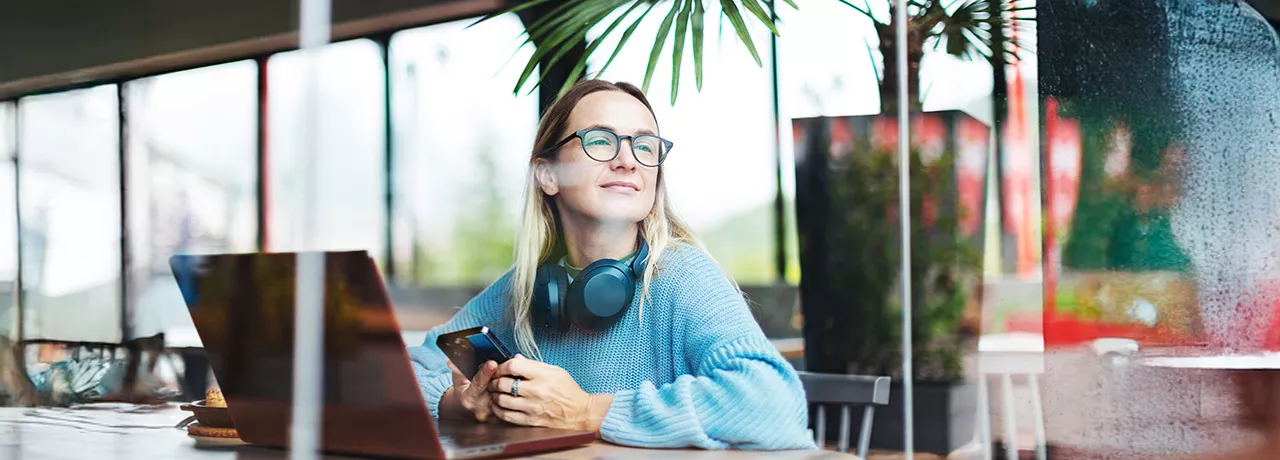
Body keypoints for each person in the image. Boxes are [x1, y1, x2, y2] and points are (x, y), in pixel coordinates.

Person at [407, 79, 814, 450]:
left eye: (644, 145)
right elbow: (395, 375)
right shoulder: (524, 290)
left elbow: (775, 402)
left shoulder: (683, 276)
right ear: (548, 175)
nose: (628, 161)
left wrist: (586, 411)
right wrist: (459, 403)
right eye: (601, 141)